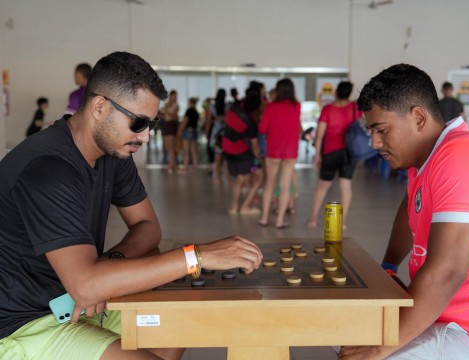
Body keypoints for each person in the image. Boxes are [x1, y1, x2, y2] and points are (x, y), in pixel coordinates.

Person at [0, 51, 263, 360]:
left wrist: (106, 269)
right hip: (25, 324)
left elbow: (148, 228)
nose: (146, 136)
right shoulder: (48, 169)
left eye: (152, 124)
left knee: (181, 320)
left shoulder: (113, 150)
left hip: (74, 300)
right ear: (100, 107)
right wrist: (197, 256)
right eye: (138, 122)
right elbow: (85, 288)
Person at [338, 64, 469, 359]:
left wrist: (376, 350)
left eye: (381, 130)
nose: (375, 143)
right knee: (350, 333)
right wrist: (388, 266)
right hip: (442, 316)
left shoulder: (463, 155)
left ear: (418, 117)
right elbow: (410, 205)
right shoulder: (427, 162)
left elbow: (448, 272)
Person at [307, 81, 362, 229]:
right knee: (346, 186)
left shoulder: (328, 109)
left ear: (336, 92)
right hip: (349, 153)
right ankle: (342, 222)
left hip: (330, 152)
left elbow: (319, 135)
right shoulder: (354, 108)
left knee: (322, 186)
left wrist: (317, 155)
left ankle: (312, 219)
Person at [258, 78, 301, 229]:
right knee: (285, 186)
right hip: (290, 151)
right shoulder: (297, 106)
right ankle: (280, 220)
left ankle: (264, 218)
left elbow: (262, 129)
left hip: (273, 150)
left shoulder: (270, 108)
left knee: (269, 183)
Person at [222, 87, 263, 215]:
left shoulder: (232, 108)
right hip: (240, 152)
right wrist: (259, 161)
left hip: (226, 148)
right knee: (260, 175)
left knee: (240, 179)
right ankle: (245, 206)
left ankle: (234, 207)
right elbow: (255, 148)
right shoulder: (250, 123)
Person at [178, 97, 200, 172]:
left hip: (187, 131)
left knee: (186, 151)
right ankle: (195, 167)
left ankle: (185, 167)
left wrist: (180, 130)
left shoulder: (188, 111)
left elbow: (185, 121)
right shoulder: (196, 112)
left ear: (191, 103)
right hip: (194, 131)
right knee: (193, 151)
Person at [161, 89, 180, 173]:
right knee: (167, 147)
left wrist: (166, 110)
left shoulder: (176, 105)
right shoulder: (166, 104)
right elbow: (163, 115)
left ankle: (171, 166)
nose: (174, 97)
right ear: (170, 96)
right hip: (166, 125)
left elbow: (172, 116)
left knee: (171, 147)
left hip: (172, 125)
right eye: (173, 95)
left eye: (175, 96)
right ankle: (172, 165)